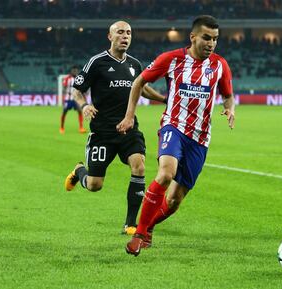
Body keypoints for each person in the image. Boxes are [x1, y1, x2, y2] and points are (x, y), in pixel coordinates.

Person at [117, 15, 235, 256]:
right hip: (174, 126)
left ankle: (147, 228)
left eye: (215, 39)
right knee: (166, 173)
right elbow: (139, 81)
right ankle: (139, 234)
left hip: (201, 138)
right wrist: (130, 116)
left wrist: (230, 108)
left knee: (173, 202)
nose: (211, 43)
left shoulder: (220, 65)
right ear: (193, 37)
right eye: (206, 38)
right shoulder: (172, 59)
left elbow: (228, 94)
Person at [64, 21, 166, 235]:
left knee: (138, 166)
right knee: (94, 185)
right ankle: (79, 171)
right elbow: (77, 90)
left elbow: (143, 89)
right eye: (120, 32)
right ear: (110, 37)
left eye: (128, 33)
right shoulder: (97, 62)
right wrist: (84, 106)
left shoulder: (135, 64)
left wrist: (165, 99)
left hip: (129, 129)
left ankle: (130, 223)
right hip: (102, 133)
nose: (125, 36)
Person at [60, 65, 87, 134]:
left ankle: (81, 128)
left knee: (79, 111)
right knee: (64, 112)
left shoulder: (79, 78)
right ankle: (62, 127)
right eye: (74, 70)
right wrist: (65, 95)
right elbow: (64, 87)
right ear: (71, 71)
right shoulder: (67, 78)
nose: (75, 71)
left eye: (76, 70)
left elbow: (81, 88)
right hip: (68, 99)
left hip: (76, 99)